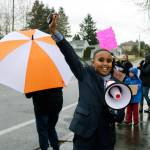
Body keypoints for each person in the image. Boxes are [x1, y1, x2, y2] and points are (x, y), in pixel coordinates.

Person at [49, 14, 125, 150]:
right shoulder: (85, 74)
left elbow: (120, 117)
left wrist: (114, 110)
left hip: (106, 137)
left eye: (109, 61)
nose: (105, 64)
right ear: (92, 62)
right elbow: (70, 54)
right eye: (101, 60)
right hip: (84, 134)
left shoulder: (117, 84)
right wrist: (55, 33)